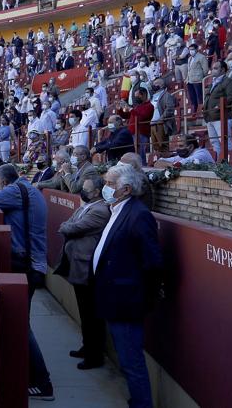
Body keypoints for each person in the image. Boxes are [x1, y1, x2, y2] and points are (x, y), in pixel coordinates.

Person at [0, 164, 53, 400]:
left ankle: (43, 382)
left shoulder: (15, 191)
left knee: (21, 324)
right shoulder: (29, 191)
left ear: (4, 182)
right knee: (22, 322)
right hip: (33, 262)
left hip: (24, 263)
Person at [92, 164, 164, 408]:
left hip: (126, 300)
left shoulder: (138, 214)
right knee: (126, 359)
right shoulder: (117, 209)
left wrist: (137, 294)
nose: (105, 187)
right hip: (114, 297)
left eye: (110, 184)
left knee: (132, 361)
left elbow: (152, 261)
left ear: (126, 189)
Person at [56, 175, 111, 370]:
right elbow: (69, 224)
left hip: (87, 269)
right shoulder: (86, 207)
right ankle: (87, 347)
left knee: (91, 314)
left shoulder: (99, 211)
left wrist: (66, 227)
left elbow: (72, 227)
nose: (82, 191)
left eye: (86, 189)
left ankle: (94, 355)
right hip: (79, 265)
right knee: (85, 312)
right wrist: (67, 227)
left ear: (96, 192)